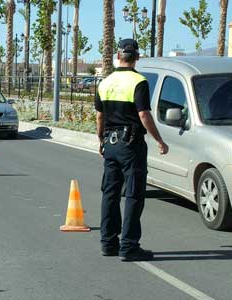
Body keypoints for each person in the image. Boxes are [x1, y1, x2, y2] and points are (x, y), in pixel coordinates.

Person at [95, 39, 169, 262]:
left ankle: (108, 243)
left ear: (119, 56)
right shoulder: (139, 81)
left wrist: (101, 140)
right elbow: (143, 114)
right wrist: (159, 140)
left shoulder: (105, 82)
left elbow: (99, 116)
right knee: (134, 195)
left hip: (111, 143)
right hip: (131, 144)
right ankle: (129, 246)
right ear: (137, 57)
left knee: (110, 193)